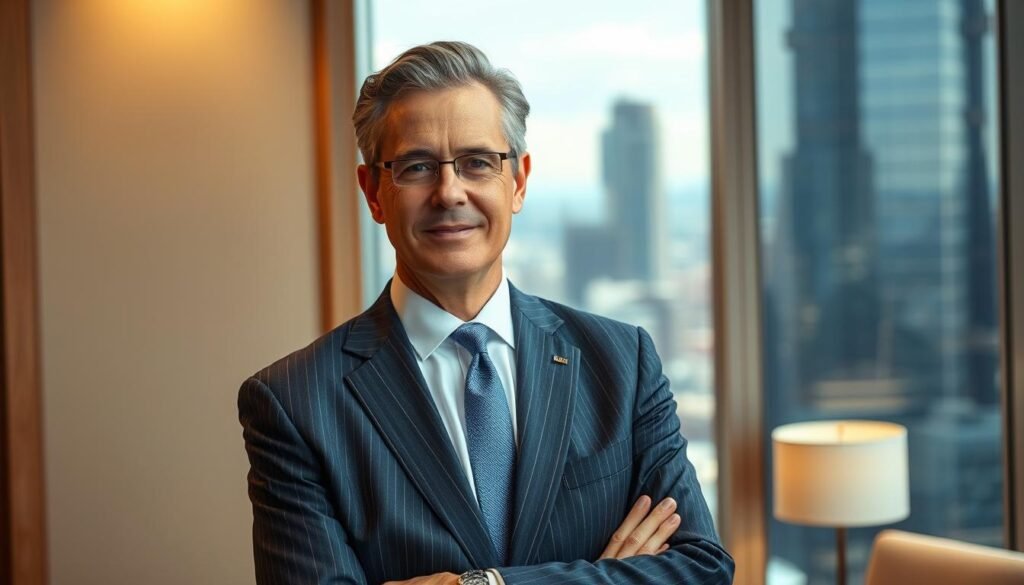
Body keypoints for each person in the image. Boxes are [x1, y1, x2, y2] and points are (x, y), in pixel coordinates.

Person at [238, 41, 734, 585]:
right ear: (374, 193)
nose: (449, 192)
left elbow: (700, 570)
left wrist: (485, 584)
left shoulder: (623, 360)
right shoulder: (294, 402)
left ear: (517, 181)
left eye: (476, 163)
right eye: (417, 166)